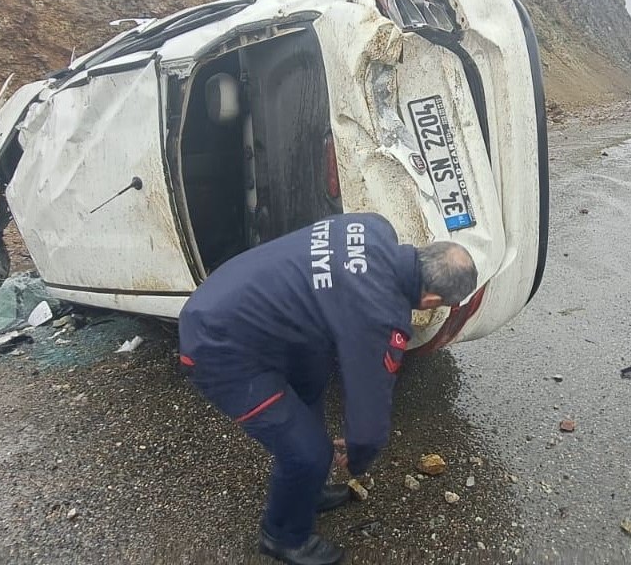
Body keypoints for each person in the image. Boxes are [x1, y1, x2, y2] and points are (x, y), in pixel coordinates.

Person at [178, 214, 477, 565]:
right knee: (309, 452)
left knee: (313, 377)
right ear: (431, 300)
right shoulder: (381, 313)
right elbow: (370, 407)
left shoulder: (374, 227)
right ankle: (283, 536)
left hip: (229, 302)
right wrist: (359, 453)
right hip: (217, 346)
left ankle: (307, 489)